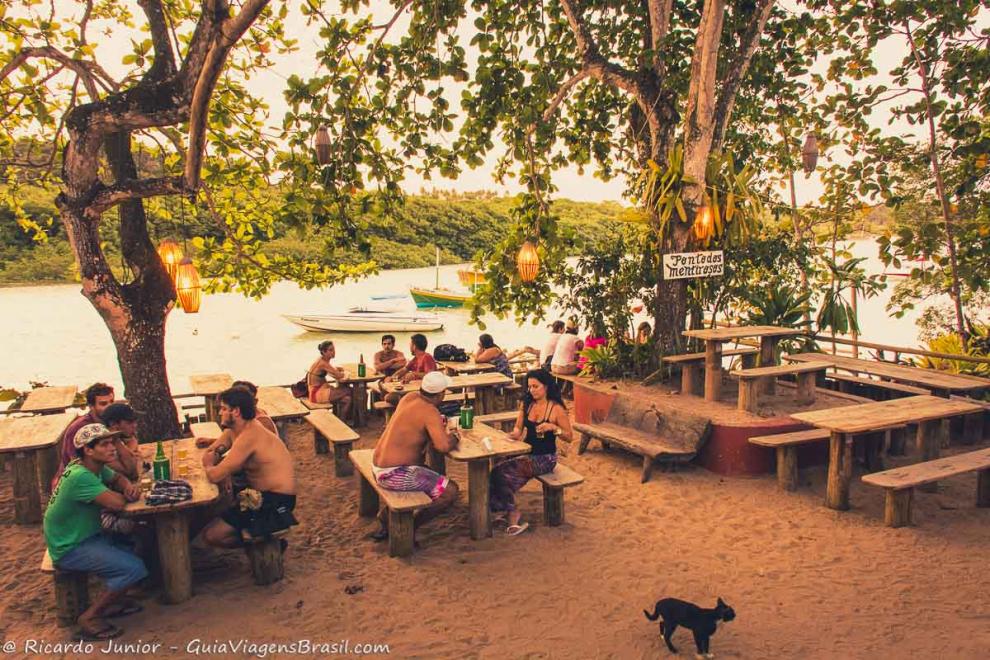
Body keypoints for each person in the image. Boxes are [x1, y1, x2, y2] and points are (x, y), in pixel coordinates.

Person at [44, 423, 147, 641]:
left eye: (112, 442)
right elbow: (118, 504)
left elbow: (117, 479)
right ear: (88, 450)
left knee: (140, 538)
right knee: (134, 568)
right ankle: (90, 617)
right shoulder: (80, 476)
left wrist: (126, 485)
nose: (112, 448)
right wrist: (126, 494)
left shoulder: (91, 466)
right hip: (70, 546)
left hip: (84, 535)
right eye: (105, 444)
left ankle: (115, 600)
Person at [200, 388, 298, 548]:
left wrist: (211, 464)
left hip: (276, 500)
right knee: (210, 513)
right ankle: (258, 541)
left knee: (212, 536)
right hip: (257, 495)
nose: (219, 413)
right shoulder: (234, 431)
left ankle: (264, 546)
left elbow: (214, 474)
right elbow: (211, 451)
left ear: (236, 412)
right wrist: (215, 454)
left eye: (223, 409)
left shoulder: (251, 434)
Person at [370, 371, 460, 542]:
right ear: (440, 394)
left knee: (428, 473)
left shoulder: (409, 397)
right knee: (449, 492)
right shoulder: (430, 410)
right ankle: (410, 525)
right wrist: (455, 437)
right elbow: (442, 446)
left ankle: (385, 516)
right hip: (393, 474)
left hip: (378, 466)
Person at [491, 369, 573, 536]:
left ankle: (513, 513)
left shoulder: (556, 409)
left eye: (536, 386)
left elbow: (569, 437)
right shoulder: (527, 403)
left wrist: (554, 428)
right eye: (529, 387)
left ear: (547, 387)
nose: (532, 390)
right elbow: (518, 428)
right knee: (497, 465)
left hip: (545, 458)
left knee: (501, 472)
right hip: (527, 451)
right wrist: (513, 434)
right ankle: (505, 508)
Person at [54, 382, 115, 489]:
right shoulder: (79, 429)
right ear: (91, 406)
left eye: (111, 402)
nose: (109, 407)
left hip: (100, 473)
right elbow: (78, 463)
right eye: (103, 404)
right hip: (73, 482)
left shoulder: (110, 421)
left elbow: (131, 441)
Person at [196, 380, 277, 449]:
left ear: (255, 401)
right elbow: (238, 440)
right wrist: (211, 441)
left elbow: (244, 446)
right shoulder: (242, 419)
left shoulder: (261, 421)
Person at [382, 333, 438, 405]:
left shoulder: (427, 357)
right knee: (387, 393)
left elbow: (431, 375)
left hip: (425, 393)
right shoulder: (416, 358)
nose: (409, 347)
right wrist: (392, 377)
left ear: (414, 346)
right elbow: (404, 369)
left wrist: (413, 374)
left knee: (390, 398)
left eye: (410, 345)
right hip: (415, 389)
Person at [306, 340, 352, 409]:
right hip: (316, 394)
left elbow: (331, 370)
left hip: (315, 391)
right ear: (324, 352)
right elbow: (339, 375)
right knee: (350, 390)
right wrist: (347, 373)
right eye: (330, 350)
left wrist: (336, 370)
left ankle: (340, 419)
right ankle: (359, 415)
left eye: (334, 349)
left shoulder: (321, 359)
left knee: (347, 399)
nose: (334, 352)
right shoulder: (322, 363)